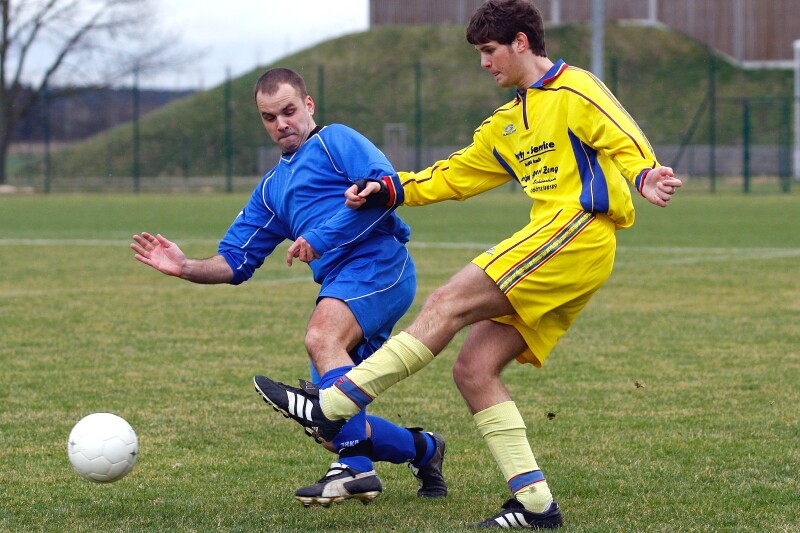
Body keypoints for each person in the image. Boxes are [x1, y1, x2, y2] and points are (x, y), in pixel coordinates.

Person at [254, 1, 683, 528]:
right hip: (559, 243)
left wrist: (644, 173)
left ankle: (333, 406)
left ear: (521, 42)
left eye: (489, 50)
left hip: (577, 231)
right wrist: (390, 188)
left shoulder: (575, 89)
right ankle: (535, 504)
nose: (484, 63)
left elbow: (620, 132)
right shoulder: (507, 123)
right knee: (474, 369)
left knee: (446, 303)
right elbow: (454, 175)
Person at [131, 67, 448, 507]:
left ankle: (357, 469)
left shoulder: (335, 141)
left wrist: (320, 237)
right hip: (341, 283)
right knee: (332, 423)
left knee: (321, 337)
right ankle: (425, 449)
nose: (281, 124)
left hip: (379, 264)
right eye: (269, 117)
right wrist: (186, 266)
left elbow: (383, 190)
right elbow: (235, 260)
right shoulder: (271, 189)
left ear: (308, 105)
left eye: (289, 111)